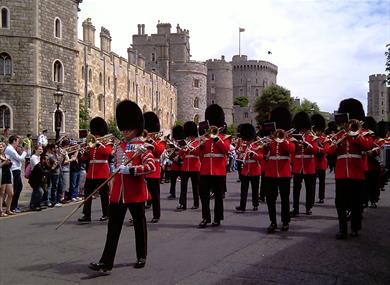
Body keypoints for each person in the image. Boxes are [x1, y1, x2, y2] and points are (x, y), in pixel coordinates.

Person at [89, 100, 156, 272]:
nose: (125, 131)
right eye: (124, 128)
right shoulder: (119, 145)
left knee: (139, 226)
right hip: (118, 193)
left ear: (136, 127)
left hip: (135, 193)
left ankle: (141, 255)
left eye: (128, 127)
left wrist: (131, 170)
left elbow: (151, 167)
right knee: (113, 229)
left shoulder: (144, 146)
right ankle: (106, 262)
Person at [328, 98, 370, 239]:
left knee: (356, 202)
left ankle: (355, 227)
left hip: (356, 171)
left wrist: (355, 135)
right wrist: (341, 138)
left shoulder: (363, 133)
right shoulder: (339, 135)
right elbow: (330, 151)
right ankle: (343, 230)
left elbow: (367, 146)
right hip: (341, 173)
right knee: (340, 202)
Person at [194, 104, 231, 228]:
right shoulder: (205, 138)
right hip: (205, 171)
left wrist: (216, 139)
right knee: (203, 196)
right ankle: (205, 218)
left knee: (218, 197)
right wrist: (201, 145)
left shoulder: (225, 137)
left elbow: (226, 150)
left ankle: (217, 218)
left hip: (218, 171)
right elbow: (196, 153)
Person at [264, 107, 295, 233]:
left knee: (284, 199)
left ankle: (285, 221)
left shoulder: (290, 138)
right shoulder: (270, 139)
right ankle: (273, 222)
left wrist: (283, 139)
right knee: (270, 199)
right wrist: (266, 146)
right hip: (271, 172)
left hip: (284, 172)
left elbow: (291, 150)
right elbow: (265, 154)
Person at [78, 117, 112, 223]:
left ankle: (106, 214)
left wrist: (99, 145)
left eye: (97, 133)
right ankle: (86, 215)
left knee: (104, 195)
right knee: (87, 195)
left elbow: (108, 153)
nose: (95, 135)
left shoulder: (107, 142)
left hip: (102, 172)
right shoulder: (91, 142)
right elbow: (84, 159)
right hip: (91, 173)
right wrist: (85, 152)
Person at [290, 111, 318, 216]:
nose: (302, 130)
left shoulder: (312, 137)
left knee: (309, 189)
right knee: (296, 189)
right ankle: (295, 208)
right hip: (298, 166)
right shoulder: (295, 136)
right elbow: (292, 151)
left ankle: (308, 207)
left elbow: (315, 150)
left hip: (309, 165)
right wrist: (295, 143)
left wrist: (307, 145)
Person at [143, 111, 166, 223]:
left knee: (155, 194)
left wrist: (151, 140)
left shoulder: (160, 141)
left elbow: (159, 151)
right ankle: (138, 216)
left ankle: (156, 215)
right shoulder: (141, 140)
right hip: (142, 169)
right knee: (140, 194)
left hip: (153, 170)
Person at [235, 123, 262, 212]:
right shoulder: (244, 146)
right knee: (243, 189)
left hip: (255, 169)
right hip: (245, 170)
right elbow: (241, 156)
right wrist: (240, 154)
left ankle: (255, 204)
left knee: (255, 189)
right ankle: (242, 206)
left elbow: (261, 157)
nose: (248, 141)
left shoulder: (257, 145)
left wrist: (253, 155)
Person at [177, 121, 200, 210]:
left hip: (195, 167)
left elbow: (198, 153)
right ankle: (182, 204)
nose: (189, 136)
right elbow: (181, 155)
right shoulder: (186, 142)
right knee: (183, 187)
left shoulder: (197, 142)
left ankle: (196, 203)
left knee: (195, 187)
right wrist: (183, 149)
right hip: (185, 167)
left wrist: (191, 148)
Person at [5, 135, 27, 213]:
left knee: (19, 187)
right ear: (14, 141)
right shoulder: (10, 149)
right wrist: (25, 152)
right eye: (17, 141)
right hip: (14, 170)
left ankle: (14, 205)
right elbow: (20, 158)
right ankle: (12, 206)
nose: (18, 143)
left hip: (17, 169)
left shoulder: (12, 149)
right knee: (15, 188)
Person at [311, 114, 329, 204]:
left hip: (321, 163)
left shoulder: (325, 139)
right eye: (316, 130)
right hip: (314, 163)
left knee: (322, 182)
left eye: (318, 131)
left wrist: (318, 147)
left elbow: (326, 150)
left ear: (321, 131)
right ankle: (312, 198)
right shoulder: (313, 139)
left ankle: (321, 197)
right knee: (312, 183)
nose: (317, 132)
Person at [167, 125, 185, 200]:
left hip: (181, 164)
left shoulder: (184, 142)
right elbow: (170, 152)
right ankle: (172, 193)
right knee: (173, 181)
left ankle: (182, 194)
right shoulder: (173, 142)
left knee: (183, 182)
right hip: (174, 164)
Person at [0, 142, 13, 216]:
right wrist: (4, 162)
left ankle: (8, 209)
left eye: (2, 147)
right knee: (1, 193)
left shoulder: (6, 155)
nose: (0, 148)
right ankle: (1, 211)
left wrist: (8, 162)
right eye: (0, 147)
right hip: (2, 175)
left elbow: (10, 164)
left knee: (11, 193)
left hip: (8, 174)